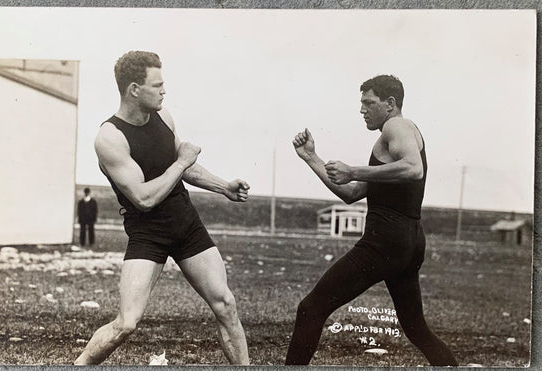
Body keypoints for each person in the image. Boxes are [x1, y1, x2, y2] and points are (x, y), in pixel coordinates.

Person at [74, 51, 250, 365]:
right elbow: (143, 198)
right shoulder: (110, 138)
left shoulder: (164, 116)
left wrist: (223, 186)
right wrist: (182, 160)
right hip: (148, 232)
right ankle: (79, 364)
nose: (164, 91)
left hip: (185, 223)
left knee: (225, 304)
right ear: (133, 90)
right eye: (157, 85)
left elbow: (181, 168)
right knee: (126, 323)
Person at [286, 75, 458, 366]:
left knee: (310, 309)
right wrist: (311, 158)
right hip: (409, 240)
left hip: (386, 241)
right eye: (361, 104)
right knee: (417, 329)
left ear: (390, 104)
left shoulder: (397, 126)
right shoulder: (388, 141)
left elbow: (414, 169)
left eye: (369, 102)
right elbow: (352, 193)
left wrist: (354, 170)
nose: (362, 110)